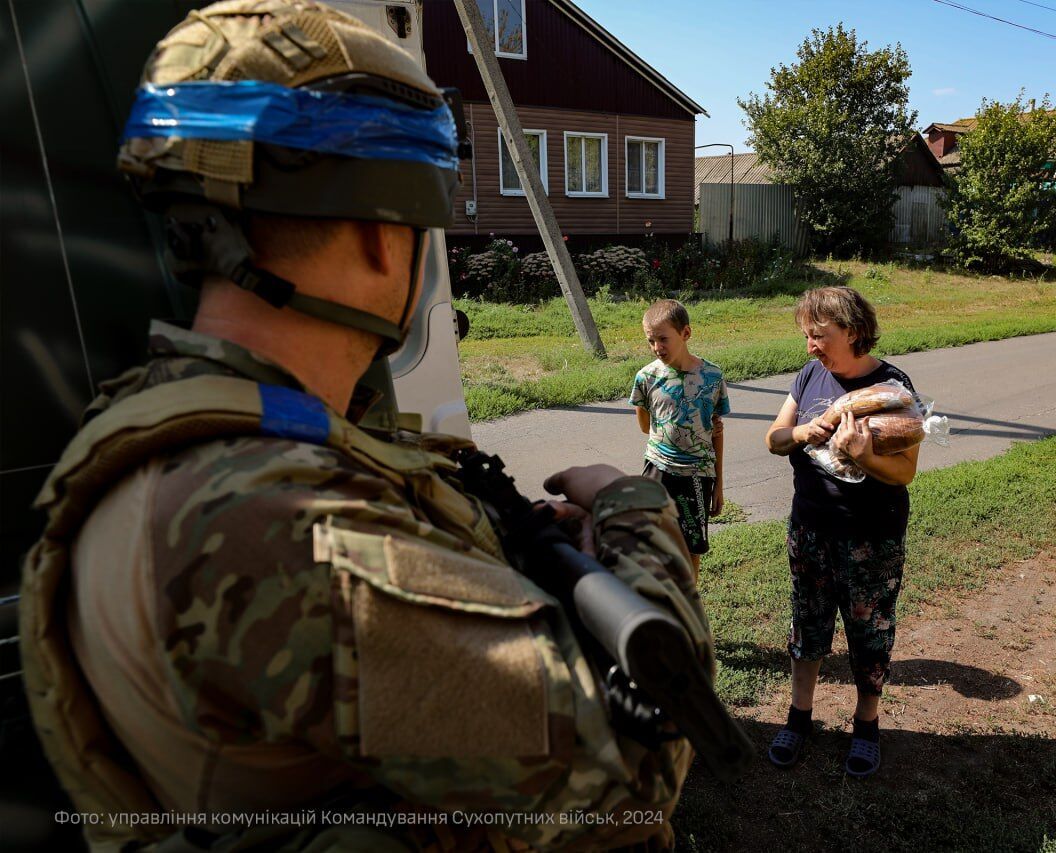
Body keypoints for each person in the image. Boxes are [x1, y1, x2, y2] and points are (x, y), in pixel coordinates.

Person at [19, 3, 711, 850]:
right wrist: (638, 511)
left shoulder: (190, 427)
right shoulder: (270, 524)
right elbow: (631, 779)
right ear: (387, 239)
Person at [763, 286, 920, 777]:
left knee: (869, 634)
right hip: (809, 527)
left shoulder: (893, 387)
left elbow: (905, 472)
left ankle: (866, 725)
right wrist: (801, 434)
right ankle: (798, 717)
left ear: (852, 332)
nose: (810, 345)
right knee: (807, 628)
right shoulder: (811, 374)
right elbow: (773, 438)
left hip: (870, 536)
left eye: (820, 335)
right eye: (807, 335)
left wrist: (864, 456)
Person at [630, 299, 730, 576]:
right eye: (650, 341)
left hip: (698, 476)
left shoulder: (712, 376)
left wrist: (719, 484)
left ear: (686, 333)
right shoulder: (646, 377)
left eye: (663, 339)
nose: (656, 348)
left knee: (691, 547)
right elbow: (644, 426)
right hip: (657, 472)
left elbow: (716, 432)